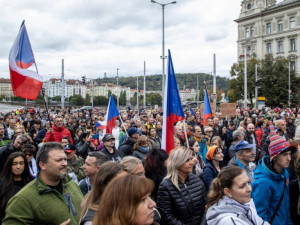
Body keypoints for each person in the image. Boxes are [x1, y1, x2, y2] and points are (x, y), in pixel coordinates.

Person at [2, 142, 83, 225]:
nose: (65, 164)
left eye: (65, 159)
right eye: (59, 160)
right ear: (42, 165)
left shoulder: (71, 184)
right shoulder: (23, 199)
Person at [252, 121, 296, 225]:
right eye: (285, 154)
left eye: (290, 154)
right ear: (274, 157)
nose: (289, 158)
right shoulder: (262, 183)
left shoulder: (285, 172)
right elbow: (260, 215)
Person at [157, 146, 206, 225]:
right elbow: (166, 215)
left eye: (191, 159)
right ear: (177, 162)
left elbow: (205, 206)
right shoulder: (165, 186)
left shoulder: (197, 180)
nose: (192, 163)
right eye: (187, 160)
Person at [0, 152, 33, 222]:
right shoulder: (2, 184)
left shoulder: (31, 183)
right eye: (14, 164)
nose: (18, 167)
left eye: (21, 163)